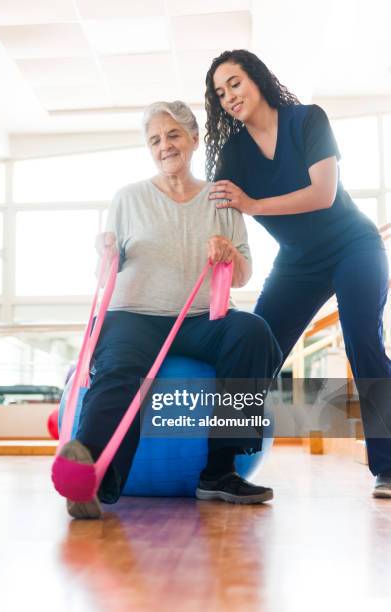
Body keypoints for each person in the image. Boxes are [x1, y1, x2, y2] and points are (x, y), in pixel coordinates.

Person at [60, 100, 282, 519]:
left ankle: (219, 472)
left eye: (174, 135)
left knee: (252, 332)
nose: (165, 146)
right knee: (119, 369)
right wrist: (105, 252)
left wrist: (229, 253)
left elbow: (242, 276)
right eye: (155, 140)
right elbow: (107, 270)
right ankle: (90, 474)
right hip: (135, 314)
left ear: (194, 139)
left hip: (199, 318)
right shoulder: (127, 198)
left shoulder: (222, 197)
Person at [204, 49, 391, 498]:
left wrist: (253, 206)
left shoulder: (307, 120)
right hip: (297, 261)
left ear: (257, 79)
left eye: (235, 83)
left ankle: (388, 467)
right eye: (219, 92)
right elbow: (212, 210)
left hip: (354, 246)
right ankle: (217, 471)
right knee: (256, 346)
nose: (229, 96)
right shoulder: (234, 153)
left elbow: (323, 193)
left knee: (363, 341)